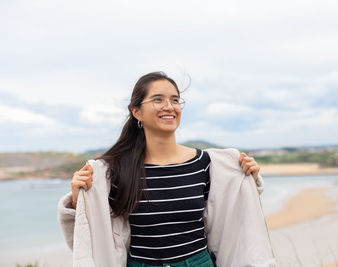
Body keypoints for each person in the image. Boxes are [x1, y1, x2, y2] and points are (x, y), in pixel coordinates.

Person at [58, 72, 276, 267]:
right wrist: (80, 198)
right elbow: (94, 231)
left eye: (175, 100)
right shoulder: (116, 170)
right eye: (158, 99)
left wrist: (247, 179)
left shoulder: (205, 163)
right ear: (137, 112)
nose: (169, 106)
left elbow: (233, 212)